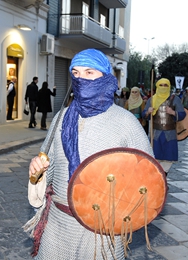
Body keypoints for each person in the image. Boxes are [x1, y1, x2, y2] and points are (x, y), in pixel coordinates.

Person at [24, 49, 154, 259]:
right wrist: (37, 170)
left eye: (89, 72)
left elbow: (148, 181)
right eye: (75, 73)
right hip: (58, 226)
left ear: (105, 76)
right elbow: (46, 167)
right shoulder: (61, 118)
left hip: (102, 232)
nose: (80, 78)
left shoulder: (126, 123)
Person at [142, 78, 186, 175]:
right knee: (154, 156)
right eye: (161, 85)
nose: (163, 87)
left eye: (165, 85)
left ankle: (163, 176)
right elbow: (144, 115)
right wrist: (148, 112)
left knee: (168, 157)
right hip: (155, 133)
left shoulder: (175, 99)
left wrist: (173, 112)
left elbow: (182, 114)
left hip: (169, 133)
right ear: (157, 86)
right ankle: (158, 179)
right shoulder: (152, 99)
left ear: (169, 86)